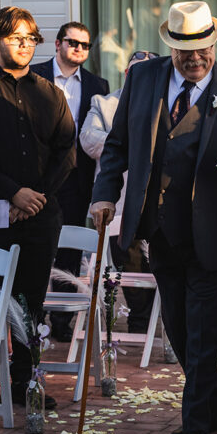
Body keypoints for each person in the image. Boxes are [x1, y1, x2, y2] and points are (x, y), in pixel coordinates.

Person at [89, 1, 217, 434]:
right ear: (171, 47)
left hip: (215, 232)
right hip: (160, 231)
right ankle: (212, 406)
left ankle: (194, 428)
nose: (195, 59)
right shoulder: (144, 81)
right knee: (179, 326)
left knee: (204, 331)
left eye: (202, 49)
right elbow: (118, 146)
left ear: (214, 43)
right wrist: (104, 194)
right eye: (185, 52)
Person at [0, 6, 76, 406]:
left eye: (30, 39)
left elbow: (67, 153)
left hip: (39, 217)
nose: (24, 45)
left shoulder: (51, 94)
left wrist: (32, 198)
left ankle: (27, 381)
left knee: (30, 300)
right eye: (15, 38)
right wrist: (12, 192)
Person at [32, 22, 109, 341]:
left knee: (70, 249)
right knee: (35, 246)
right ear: (58, 43)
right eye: (72, 42)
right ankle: (33, 314)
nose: (78, 48)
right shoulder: (33, 76)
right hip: (36, 177)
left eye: (85, 45)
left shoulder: (97, 84)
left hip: (77, 177)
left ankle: (62, 322)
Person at [80, 50, 158, 332]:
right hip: (121, 201)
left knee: (159, 264)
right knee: (130, 262)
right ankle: (140, 321)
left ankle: (159, 321)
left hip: (157, 201)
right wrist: (129, 145)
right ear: (126, 74)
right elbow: (89, 139)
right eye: (132, 72)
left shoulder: (166, 103)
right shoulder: (104, 102)